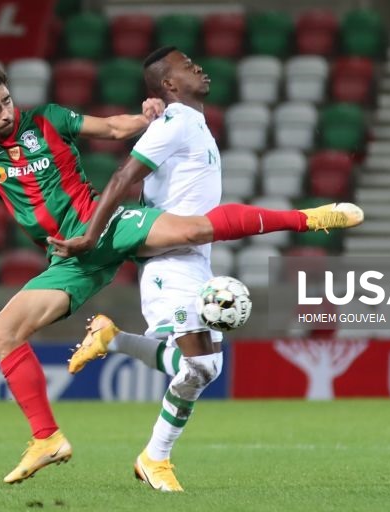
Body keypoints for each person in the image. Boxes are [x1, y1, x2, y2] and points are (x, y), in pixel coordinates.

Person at [0, 65, 362, 485]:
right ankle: (47, 439)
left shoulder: (48, 120)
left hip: (105, 226)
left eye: (7, 102)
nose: (4, 113)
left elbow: (115, 127)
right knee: (3, 333)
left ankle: (311, 218)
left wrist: (148, 116)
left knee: (196, 230)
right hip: (71, 263)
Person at [50, 47, 365, 492]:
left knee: (206, 367)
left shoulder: (191, 122)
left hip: (195, 258)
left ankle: (113, 339)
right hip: (168, 261)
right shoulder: (176, 122)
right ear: (170, 85)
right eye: (185, 65)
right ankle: (154, 458)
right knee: (198, 369)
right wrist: (89, 236)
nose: (197, 66)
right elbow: (124, 177)